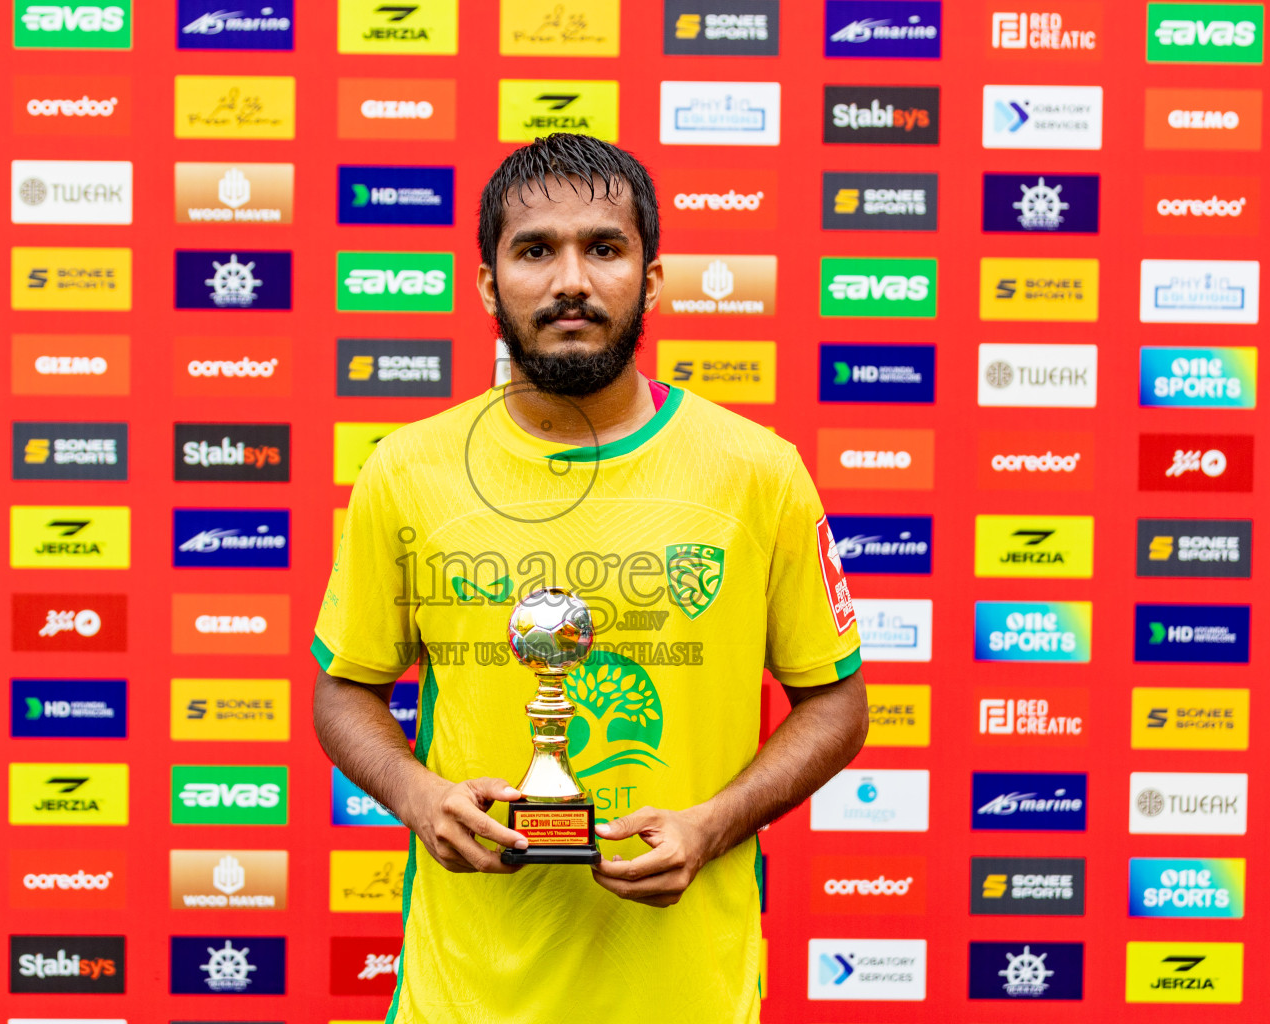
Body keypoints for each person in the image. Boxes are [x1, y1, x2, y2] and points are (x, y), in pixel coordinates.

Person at [312, 133, 868, 1024]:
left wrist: (712, 825)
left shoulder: (758, 472)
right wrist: (420, 797)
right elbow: (345, 688)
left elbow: (836, 704)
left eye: (604, 248)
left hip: (688, 998)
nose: (571, 280)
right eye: (535, 250)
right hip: (465, 999)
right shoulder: (408, 472)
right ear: (488, 284)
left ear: (652, 279)